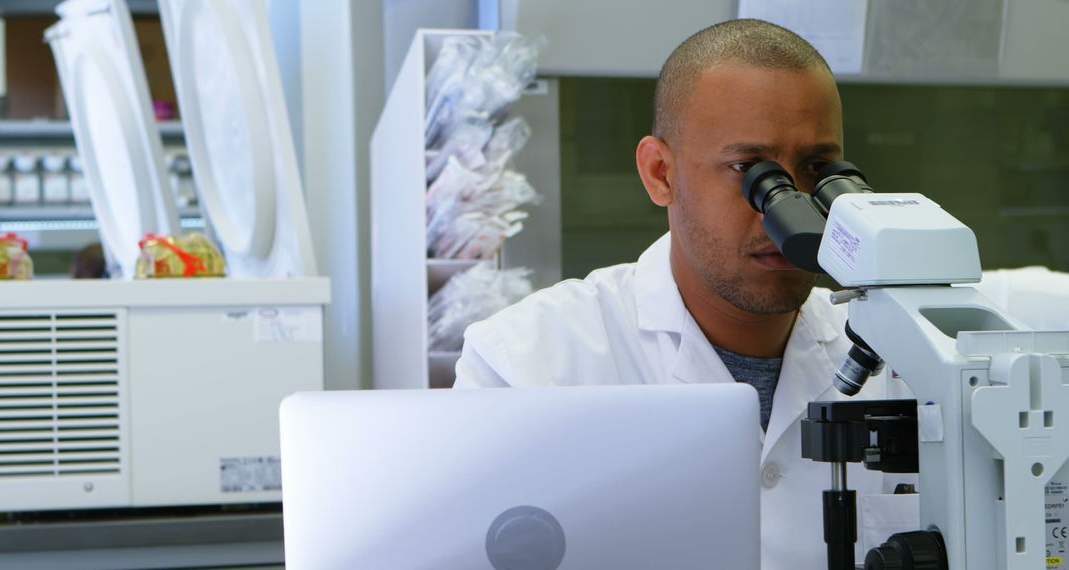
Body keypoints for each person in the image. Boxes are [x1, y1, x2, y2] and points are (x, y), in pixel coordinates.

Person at [453, 19, 1069, 569]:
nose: (789, 212)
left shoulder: (919, 347)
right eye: (753, 172)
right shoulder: (527, 364)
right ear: (659, 173)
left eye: (816, 169)